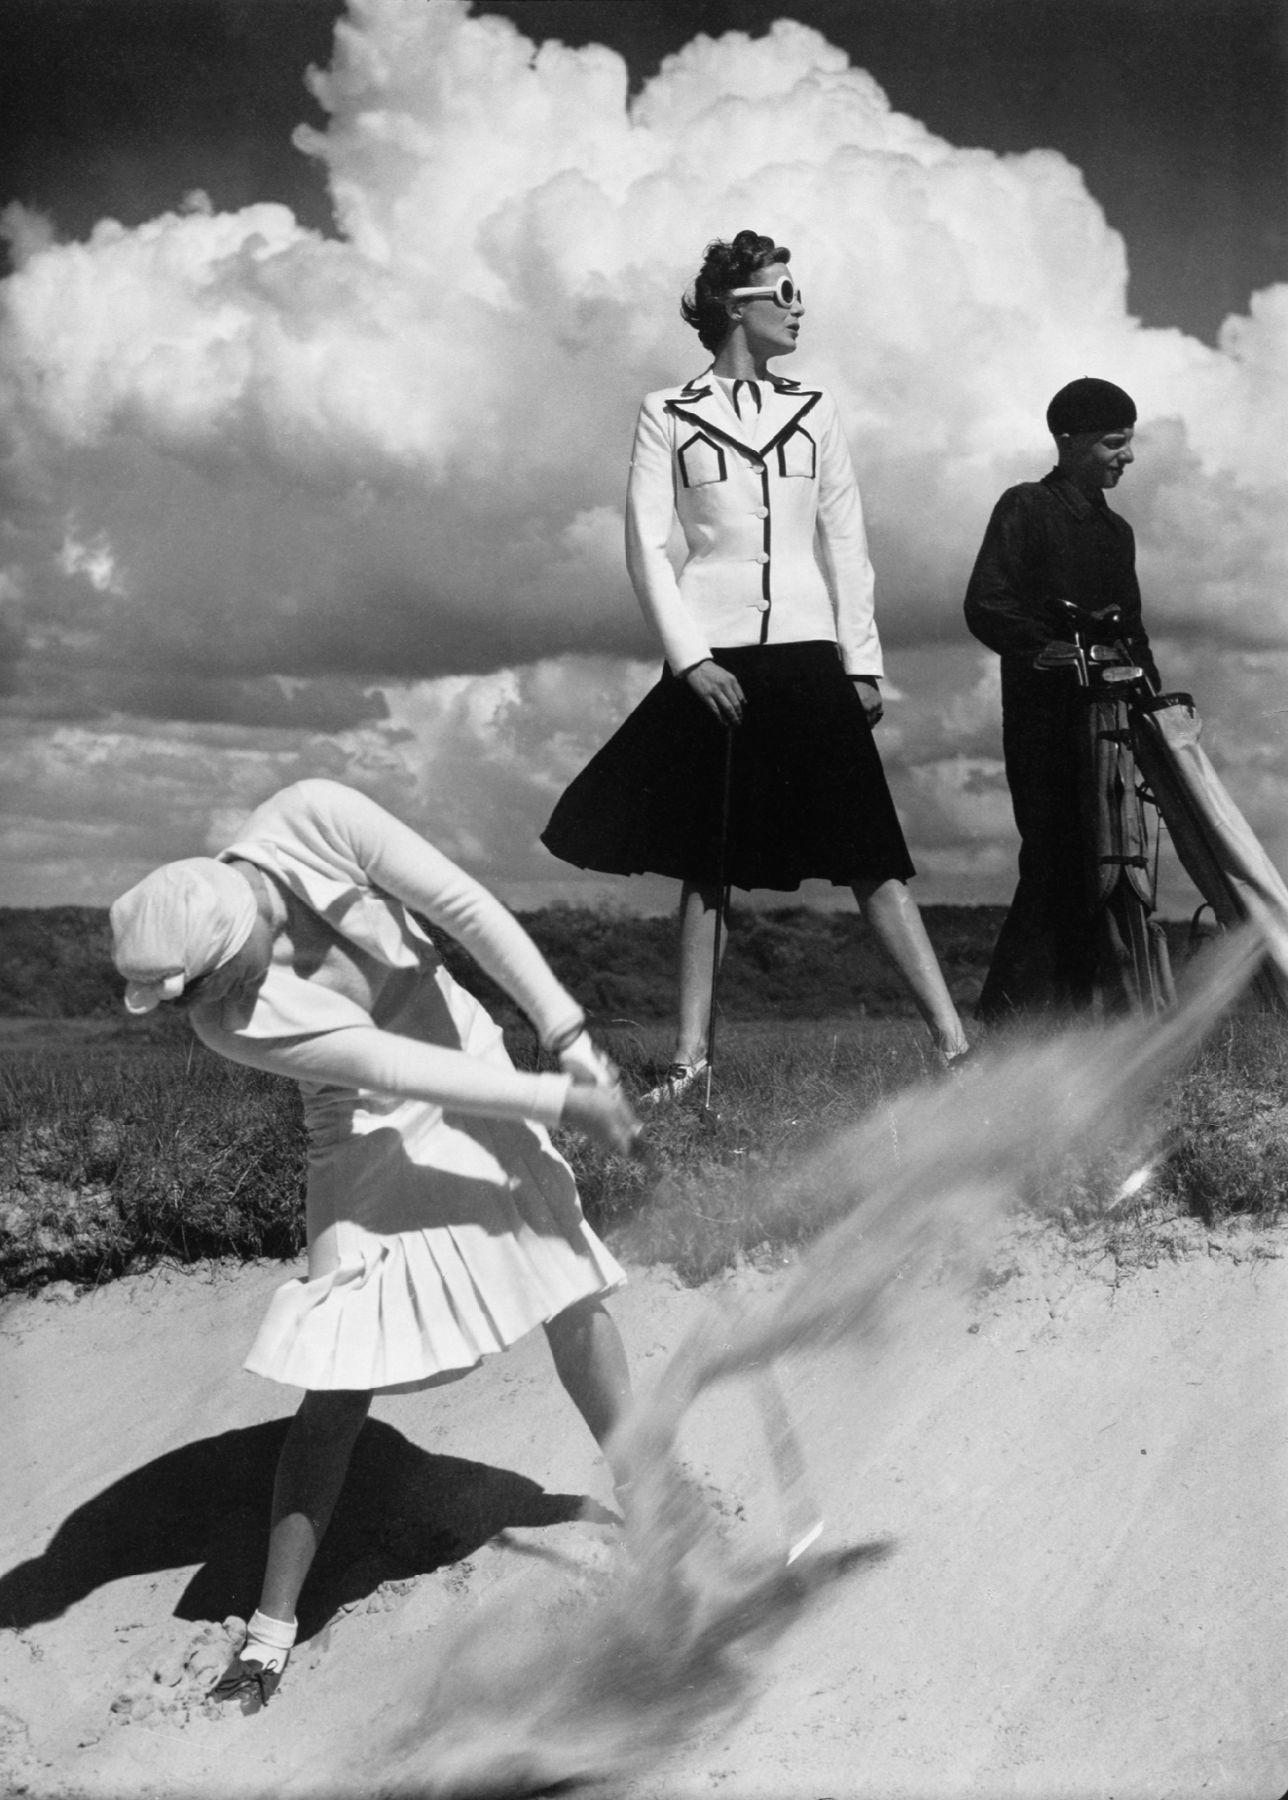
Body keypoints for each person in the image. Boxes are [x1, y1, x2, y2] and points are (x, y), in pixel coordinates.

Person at [109, 778, 640, 1709]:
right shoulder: (229, 1019)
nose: (206, 1008)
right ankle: (271, 1631)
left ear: (236, 935)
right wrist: (564, 1101)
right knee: (339, 1370)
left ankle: (654, 1488)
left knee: (567, 1285)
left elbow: (467, 912)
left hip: (467, 1056)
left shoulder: (317, 816)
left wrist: (567, 1036)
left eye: (214, 981)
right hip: (357, 1129)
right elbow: (383, 1066)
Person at [542, 229, 968, 1098]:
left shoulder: (816, 409)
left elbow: (847, 541)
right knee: (710, 861)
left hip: (813, 653)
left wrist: (863, 663)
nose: (800, 307)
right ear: (736, 308)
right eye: (785, 292)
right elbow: (646, 548)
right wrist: (690, 660)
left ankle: (957, 1048)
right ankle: (691, 1062)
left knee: (871, 853)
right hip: (715, 655)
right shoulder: (667, 412)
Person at [964, 377, 1161, 1020]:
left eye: (1128, 444)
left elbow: (1132, 630)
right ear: (1069, 441)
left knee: (1105, 864)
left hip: (1109, 722)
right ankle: (1012, 1020)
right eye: (1113, 443)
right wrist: (1050, 649)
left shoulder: (1117, 533)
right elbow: (987, 605)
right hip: (1042, 720)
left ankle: (1079, 1016)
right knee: (1053, 859)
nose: (1124, 457)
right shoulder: (1024, 507)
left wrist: (1155, 705)